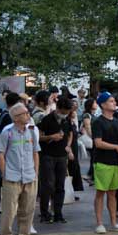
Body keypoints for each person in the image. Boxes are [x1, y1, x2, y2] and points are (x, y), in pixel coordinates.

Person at [0, 100, 40, 235]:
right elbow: (0, 153)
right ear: (15, 118)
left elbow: (35, 152)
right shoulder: (7, 132)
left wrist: (36, 172)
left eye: (28, 112)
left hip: (29, 175)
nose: (28, 115)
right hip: (12, 176)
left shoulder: (32, 131)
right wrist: (4, 173)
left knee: (28, 209)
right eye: (25, 113)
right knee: (9, 210)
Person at [89, 92, 118, 233]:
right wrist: (116, 147)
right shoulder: (98, 122)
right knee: (101, 192)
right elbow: (98, 143)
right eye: (111, 101)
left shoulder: (117, 121)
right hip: (102, 161)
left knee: (113, 193)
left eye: (114, 100)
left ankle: (113, 222)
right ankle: (99, 223)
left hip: (116, 161)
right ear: (103, 104)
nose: (114, 103)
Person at [36, 92, 71, 224]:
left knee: (60, 186)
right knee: (48, 185)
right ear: (58, 108)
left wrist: (68, 147)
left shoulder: (67, 120)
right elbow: (38, 137)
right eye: (63, 111)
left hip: (62, 156)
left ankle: (58, 213)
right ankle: (45, 213)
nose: (65, 114)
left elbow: (70, 134)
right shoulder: (46, 119)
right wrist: (51, 137)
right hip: (48, 156)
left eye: (67, 112)